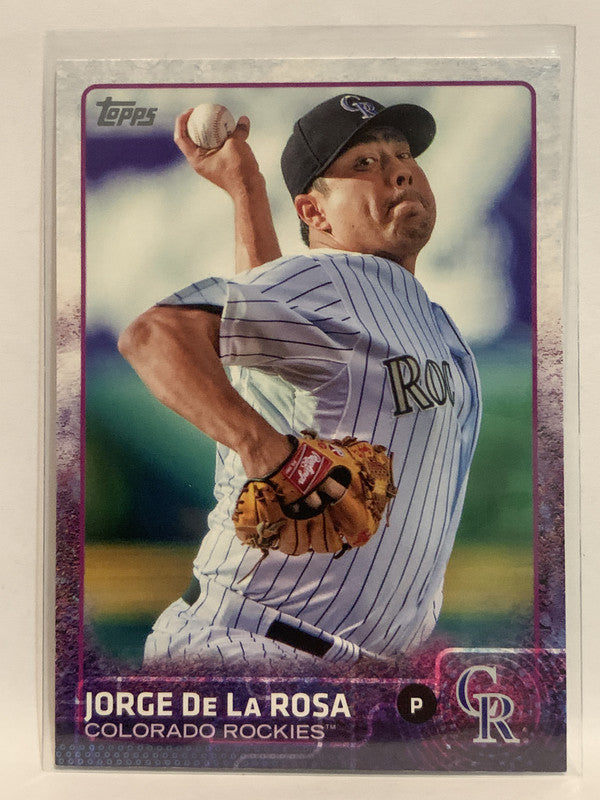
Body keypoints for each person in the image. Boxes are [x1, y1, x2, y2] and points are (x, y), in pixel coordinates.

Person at [118, 94, 481, 668]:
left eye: (403, 154)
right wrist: (264, 448)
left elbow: (267, 353)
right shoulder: (335, 279)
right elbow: (154, 335)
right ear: (315, 213)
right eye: (365, 163)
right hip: (250, 655)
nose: (401, 170)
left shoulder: (400, 308)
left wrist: (246, 189)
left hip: (337, 669)